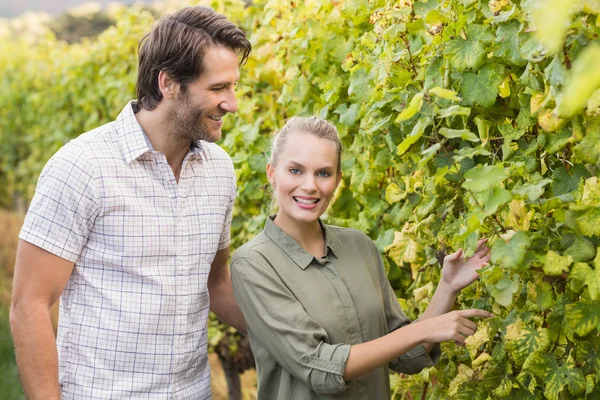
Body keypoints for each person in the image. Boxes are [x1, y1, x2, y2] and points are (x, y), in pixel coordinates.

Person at [10, 6, 251, 399]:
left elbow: (217, 281)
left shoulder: (219, 170)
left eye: (234, 86)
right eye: (218, 88)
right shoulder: (82, 166)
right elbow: (29, 305)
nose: (233, 103)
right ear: (169, 83)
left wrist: (291, 338)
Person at [230, 116, 493, 399]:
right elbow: (320, 368)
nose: (309, 186)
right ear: (272, 173)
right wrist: (424, 330)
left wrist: (448, 287)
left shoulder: (359, 247)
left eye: (323, 173)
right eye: (295, 170)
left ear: (338, 179)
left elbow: (405, 356)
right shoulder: (253, 264)